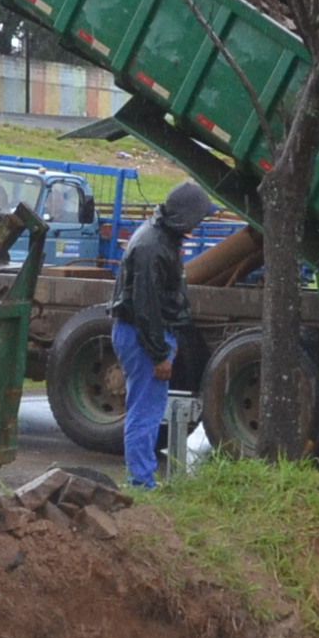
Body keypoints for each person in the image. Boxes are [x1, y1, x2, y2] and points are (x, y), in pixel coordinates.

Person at [113, 180, 213, 487]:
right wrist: (158, 353)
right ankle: (141, 483)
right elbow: (146, 307)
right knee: (145, 412)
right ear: (185, 216)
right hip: (141, 336)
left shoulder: (160, 237)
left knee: (148, 410)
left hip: (145, 334)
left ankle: (141, 479)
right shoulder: (152, 247)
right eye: (198, 217)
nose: (200, 224)